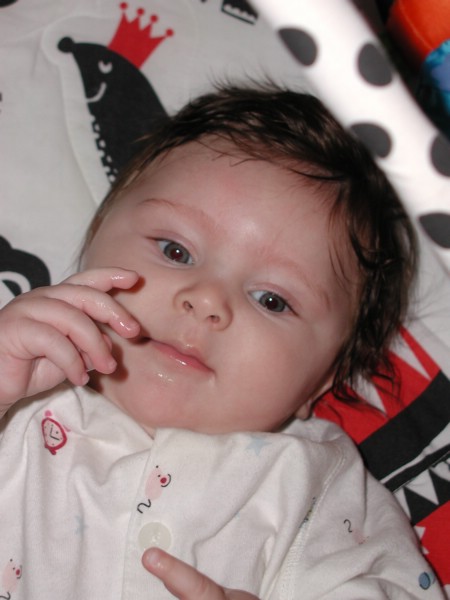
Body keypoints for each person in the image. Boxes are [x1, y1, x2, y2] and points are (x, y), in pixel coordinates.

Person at [0, 85, 443, 600]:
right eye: (175, 251)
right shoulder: (21, 398)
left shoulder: (314, 485)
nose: (207, 299)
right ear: (93, 242)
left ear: (318, 383)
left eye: (272, 300)